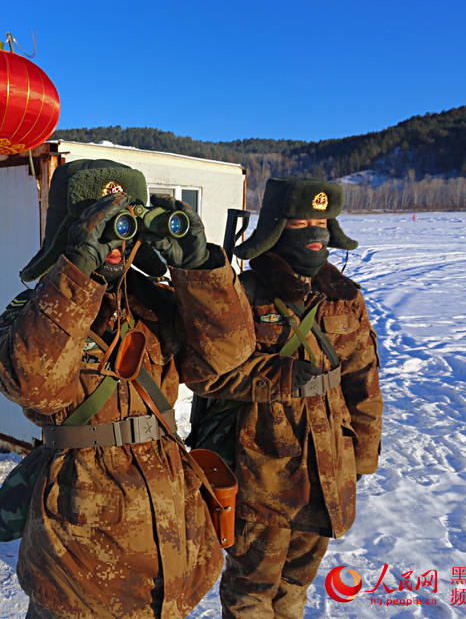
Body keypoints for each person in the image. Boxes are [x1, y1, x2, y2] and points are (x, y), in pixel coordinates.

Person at [0, 159, 256, 618]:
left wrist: (200, 268)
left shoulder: (155, 303)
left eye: (126, 221)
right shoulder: (38, 307)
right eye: (100, 222)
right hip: (80, 565)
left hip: (171, 549)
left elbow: (226, 357)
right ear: (69, 228)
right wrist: (79, 270)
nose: (115, 239)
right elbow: (34, 386)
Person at [187, 178, 384, 617]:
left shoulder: (344, 298)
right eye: (301, 221)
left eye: (321, 221)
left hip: (328, 469)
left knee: (296, 584)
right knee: (251, 592)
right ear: (277, 226)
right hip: (262, 472)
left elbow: (363, 381)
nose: (314, 233)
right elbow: (206, 375)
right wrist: (279, 377)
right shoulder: (243, 293)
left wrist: (361, 458)